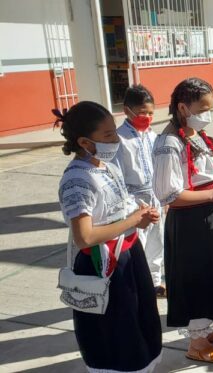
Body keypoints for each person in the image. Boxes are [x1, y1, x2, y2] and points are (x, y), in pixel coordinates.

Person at [56, 101, 162, 372]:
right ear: (84, 141)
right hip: (101, 265)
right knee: (115, 337)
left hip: (128, 256)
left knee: (139, 327)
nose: (116, 139)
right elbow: (85, 237)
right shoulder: (77, 180)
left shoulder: (105, 167)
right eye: (108, 136)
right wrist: (131, 220)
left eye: (114, 133)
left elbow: (116, 210)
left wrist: (138, 215)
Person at [153, 78, 213, 362]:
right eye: (202, 108)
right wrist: (211, 194)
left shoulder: (194, 135)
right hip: (191, 222)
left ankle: (210, 328)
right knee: (196, 278)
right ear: (183, 107)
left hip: (212, 213)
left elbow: (204, 175)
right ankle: (197, 343)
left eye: (210, 108)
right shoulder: (169, 143)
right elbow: (169, 195)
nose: (208, 115)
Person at [113, 85, 166, 297]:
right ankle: (138, 284)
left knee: (157, 241)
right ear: (127, 111)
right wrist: (131, 204)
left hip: (155, 196)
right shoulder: (119, 139)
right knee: (138, 243)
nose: (147, 117)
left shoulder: (153, 136)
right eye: (142, 112)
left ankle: (154, 281)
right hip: (135, 198)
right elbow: (118, 174)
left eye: (151, 113)